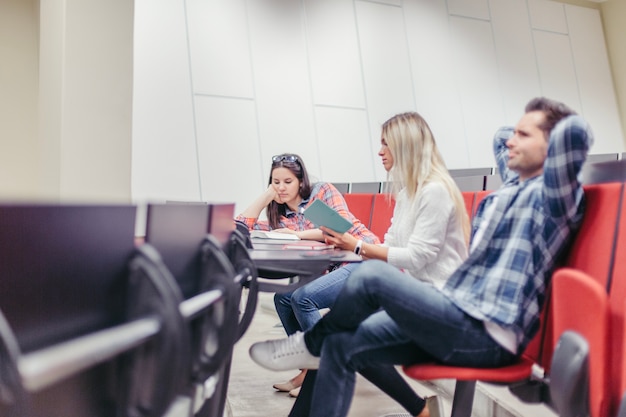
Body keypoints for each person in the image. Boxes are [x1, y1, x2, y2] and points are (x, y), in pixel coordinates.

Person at [248, 97, 593, 417]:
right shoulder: (508, 193)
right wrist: (526, 132)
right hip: (454, 313)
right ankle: (317, 346)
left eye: (524, 134)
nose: (509, 141)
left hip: (487, 333)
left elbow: (574, 135)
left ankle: (309, 344)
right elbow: (503, 140)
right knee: (339, 344)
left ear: (554, 146)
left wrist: (356, 246)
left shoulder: (553, 199)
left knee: (369, 277)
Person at [272, 112, 470, 403]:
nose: (380, 151)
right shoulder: (407, 194)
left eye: (386, 144)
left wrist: (355, 246)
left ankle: (417, 408)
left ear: (405, 146)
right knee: (332, 337)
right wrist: (349, 247)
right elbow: (389, 245)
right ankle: (420, 409)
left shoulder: (435, 192)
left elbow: (416, 257)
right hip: (413, 295)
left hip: (438, 301)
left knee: (330, 330)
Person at [236, 153, 379, 244]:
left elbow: (340, 228)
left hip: (363, 252)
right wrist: (266, 195)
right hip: (332, 266)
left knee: (299, 293)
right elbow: (238, 228)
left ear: (301, 182)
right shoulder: (282, 218)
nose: (281, 188)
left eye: (287, 182)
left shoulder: (322, 191)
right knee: (284, 294)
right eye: (276, 182)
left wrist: (297, 235)